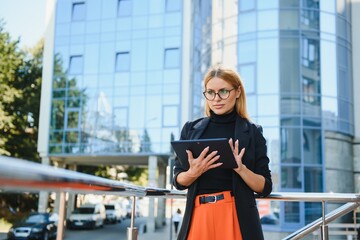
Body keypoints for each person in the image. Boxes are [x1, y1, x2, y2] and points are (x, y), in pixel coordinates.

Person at [172, 64, 272, 240]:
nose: (216, 98)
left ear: (237, 92)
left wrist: (241, 169)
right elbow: (178, 180)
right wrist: (192, 173)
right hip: (198, 216)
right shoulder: (191, 129)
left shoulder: (253, 132)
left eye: (223, 92)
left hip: (235, 216)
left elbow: (265, 187)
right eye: (210, 92)